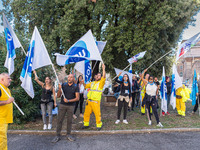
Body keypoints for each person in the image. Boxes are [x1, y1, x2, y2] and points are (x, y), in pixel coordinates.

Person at [52, 74, 79, 143]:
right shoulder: (63, 85)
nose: (70, 78)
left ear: (73, 79)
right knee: (59, 120)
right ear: (67, 78)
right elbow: (58, 96)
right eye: (69, 77)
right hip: (62, 105)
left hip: (71, 106)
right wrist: (60, 89)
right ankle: (57, 135)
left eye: (71, 77)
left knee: (69, 121)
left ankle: (68, 134)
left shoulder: (76, 86)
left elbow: (77, 98)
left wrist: (69, 100)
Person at [82, 63, 106, 130]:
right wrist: (83, 82)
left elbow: (104, 76)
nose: (98, 76)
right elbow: (85, 86)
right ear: (95, 77)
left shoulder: (101, 83)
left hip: (95, 102)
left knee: (97, 114)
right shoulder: (92, 83)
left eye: (99, 75)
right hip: (89, 101)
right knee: (86, 113)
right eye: (97, 75)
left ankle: (99, 125)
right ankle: (86, 124)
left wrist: (103, 69)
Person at [0, 73, 14, 150]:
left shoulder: (6, 89)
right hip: (1, 120)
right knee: (1, 140)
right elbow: (6, 101)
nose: (10, 80)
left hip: (4, 119)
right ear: (2, 79)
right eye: (8, 78)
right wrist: (6, 102)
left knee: (3, 140)